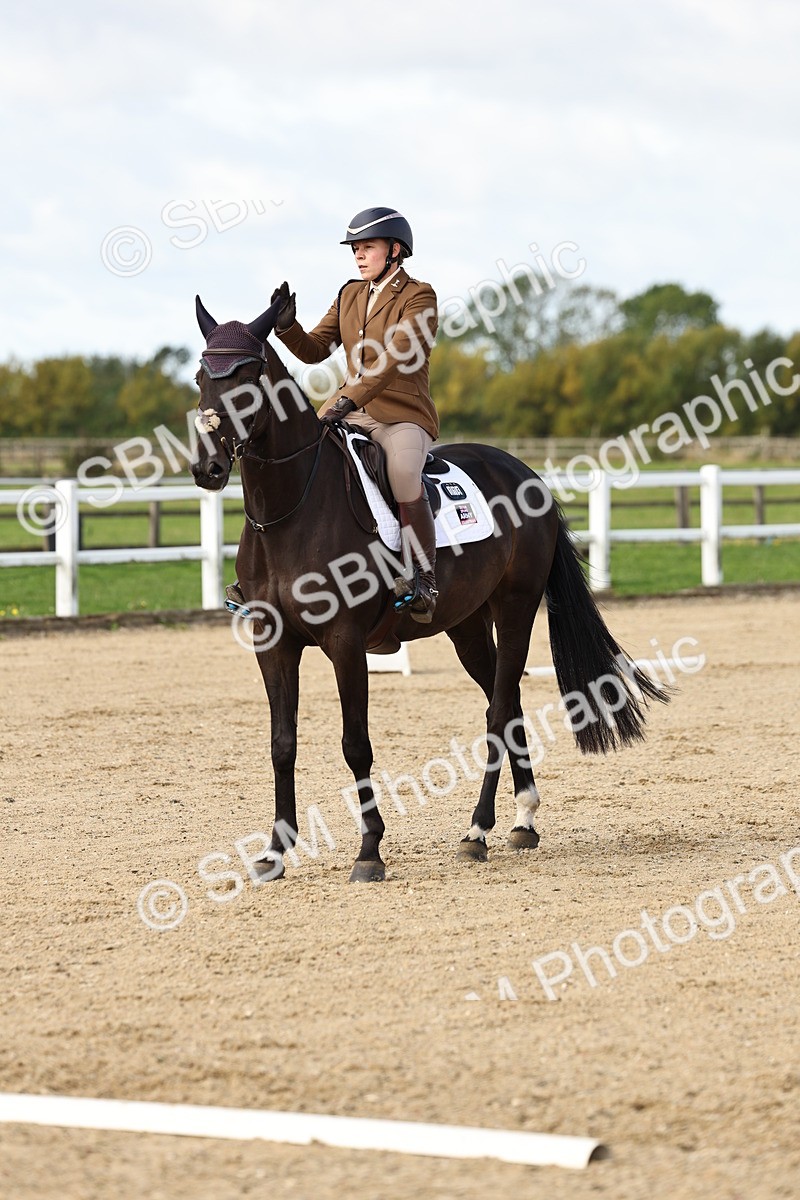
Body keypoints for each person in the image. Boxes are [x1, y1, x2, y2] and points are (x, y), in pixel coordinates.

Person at [268, 206, 441, 622]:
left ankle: (422, 577)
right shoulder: (349, 294)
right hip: (348, 406)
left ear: (395, 250)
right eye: (355, 249)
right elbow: (314, 351)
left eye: (368, 248)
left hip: (401, 414)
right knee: (300, 461)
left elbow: (396, 357)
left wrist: (349, 398)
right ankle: (269, 572)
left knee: (402, 476)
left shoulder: (419, 296)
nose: (359, 256)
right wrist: (287, 326)